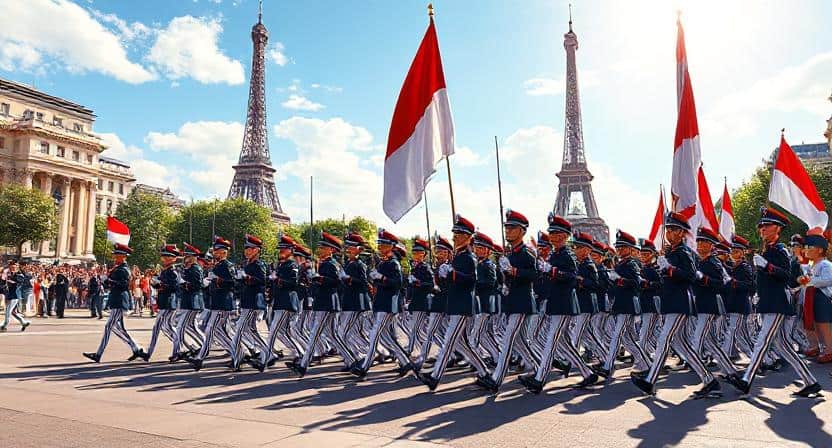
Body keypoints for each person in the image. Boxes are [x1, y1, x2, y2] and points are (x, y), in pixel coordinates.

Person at [725, 207, 821, 398]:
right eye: (761, 227)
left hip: (777, 303)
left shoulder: (780, 249)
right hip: (768, 302)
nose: (762, 230)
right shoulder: (767, 249)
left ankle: (746, 381)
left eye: (766, 226)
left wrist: (767, 266)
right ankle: (811, 382)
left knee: (762, 342)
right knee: (782, 346)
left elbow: (786, 275)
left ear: (777, 228)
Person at [631, 212, 714, 398]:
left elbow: (691, 276)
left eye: (674, 230)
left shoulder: (683, 252)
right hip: (670, 302)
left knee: (663, 341)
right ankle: (709, 380)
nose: (670, 233)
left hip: (680, 302)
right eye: (668, 229)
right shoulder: (671, 252)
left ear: (683, 233)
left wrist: (670, 269)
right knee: (682, 345)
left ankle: (650, 381)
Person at [519, 217, 599, 394]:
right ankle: (588, 373)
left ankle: (539, 379)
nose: (553, 236)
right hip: (556, 302)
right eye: (552, 233)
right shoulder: (556, 254)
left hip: (564, 303)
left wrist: (552, 271)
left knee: (551, 341)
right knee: (563, 344)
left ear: (564, 236)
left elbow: (571, 277)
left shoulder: (567, 254)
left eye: (556, 233)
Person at [417, 215, 488, 390]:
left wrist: (452, 274)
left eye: (459, 233)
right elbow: (450, 283)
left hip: (463, 304)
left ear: (468, 236)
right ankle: (485, 373)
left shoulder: (468, 257)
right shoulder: (458, 256)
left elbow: (472, 280)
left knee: (449, 341)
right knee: (462, 344)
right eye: (454, 232)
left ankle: (435, 377)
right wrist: (443, 276)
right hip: (455, 303)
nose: (455, 236)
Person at [476, 209, 540, 393]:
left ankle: (496, 379)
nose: (508, 231)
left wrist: (514, 272)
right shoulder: (510, 255)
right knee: (518, 341)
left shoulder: (526, 253)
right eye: (507, 228)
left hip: (522, 302)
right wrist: (506, 279)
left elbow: (534, 274)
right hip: (512, 301)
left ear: (522, 231)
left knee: (508, 338)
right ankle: (538, 368)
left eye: (512, 228)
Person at [287, 232, 351, 377]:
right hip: (323, 302)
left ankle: (303, 365)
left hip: (327, 303)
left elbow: (336, 282)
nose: (320, 249)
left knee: (315, 333)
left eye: (323, 247)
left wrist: (320, 278)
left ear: (331, 250)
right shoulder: (324, 263)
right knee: (333, 336)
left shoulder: (331, 264)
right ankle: (352, 360)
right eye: (320, 246)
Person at [353, 229, 413, 379]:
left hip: (388, 304)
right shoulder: (384, 262)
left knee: (375, 334)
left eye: (383, 244)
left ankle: (364, 366)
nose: (380, 247)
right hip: (381, 302)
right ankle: (405, 362)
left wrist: (382, 278)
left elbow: (397, 283)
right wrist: (376, 278)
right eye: (379, 244)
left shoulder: (394, 263)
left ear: (391, 246)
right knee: (386, 336)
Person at [83, 243, 148, 363]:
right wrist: (104, 281)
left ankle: (98, 354)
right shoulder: (117, 268)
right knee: (119, 329)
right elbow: (110, 284)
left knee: (109, 326)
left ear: (124, 256)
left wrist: (110, 281)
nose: (115, 257)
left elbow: (124, 284)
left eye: (118, 255)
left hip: (120, 300)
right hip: (116, 299)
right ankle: (136, 349)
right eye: (115, 254)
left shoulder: (124, 269)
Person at [189, 237, 236, 371]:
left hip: (223, 302)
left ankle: (200, 358)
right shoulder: (219, 265)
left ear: (224, 252)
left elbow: (232, 283)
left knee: (210, 330)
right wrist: (208, 282)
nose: (214, 253)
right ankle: (238, 353)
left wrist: (218, 280)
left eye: (217, 251)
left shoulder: (227, 265)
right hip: (216, 302)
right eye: (214, 251)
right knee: (219, 332)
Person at [230, 234, 270, 371]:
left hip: (254, 302)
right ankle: (268, 353)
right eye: (246, 248)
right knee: (250, 331)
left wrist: (247, 278)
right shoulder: (248, 264)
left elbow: (262, 281)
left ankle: (238, 359)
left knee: (239, 330)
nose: (246, 251)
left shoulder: (258, 264)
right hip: (247, 301)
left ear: (257, 250)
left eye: (250, 248)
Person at [263, 235, 304, 369]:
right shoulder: (281, 265)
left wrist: (277, 280)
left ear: (291, 250)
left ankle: (266, 357)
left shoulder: (292, 265)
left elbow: (293, 283)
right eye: (280, 249)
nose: (281, 251)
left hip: (287, 302)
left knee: (275, 330)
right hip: (280, 302)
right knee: (281, 332)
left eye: (284, 249)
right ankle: (300, 353)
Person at [169, 243, 205, 363]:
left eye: (188, 256)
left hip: (192, 302)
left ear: (194, 257)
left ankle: (178, 351)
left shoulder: (196, 268)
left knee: (180, 327)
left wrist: (185, 284)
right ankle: (205, 345)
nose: (186, 258)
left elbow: (198, 285)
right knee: (192, 327)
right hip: (187, 301)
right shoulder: (188, 268)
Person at [799, 234, 832, 362]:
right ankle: (816, 346)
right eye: (805, 247)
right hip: (811, 297)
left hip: (822, 297)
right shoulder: (811, 265)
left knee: (823, 324)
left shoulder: (825, 264)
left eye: (809, 247)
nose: (806, 249)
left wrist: (809, 280)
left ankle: (829, 350)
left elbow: (828, 280)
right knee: (812, 323)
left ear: (819, 249)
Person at [145, 245, 181, 360]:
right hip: (164, 302)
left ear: (174, 259)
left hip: (169, 303)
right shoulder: (165, 271)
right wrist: (155, 283)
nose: (165, 259)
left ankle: (149, 353)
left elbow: (175, 287)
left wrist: (160, 284)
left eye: (168, 257)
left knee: (157, 328)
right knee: (168, 327)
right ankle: (179, 350)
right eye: (164, 257)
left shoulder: (173, 272)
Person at [1, 261, 31, 332]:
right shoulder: (6, 272)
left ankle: (4, 325)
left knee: (8, 311)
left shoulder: (19, 274)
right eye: (12, 266)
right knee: (12, 312)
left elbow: (20, 281)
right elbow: (2, 282)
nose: (13, 268)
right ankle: (23, 322)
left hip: (15, 295)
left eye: (14, 266)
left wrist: (10, 280)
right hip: (8, 294)